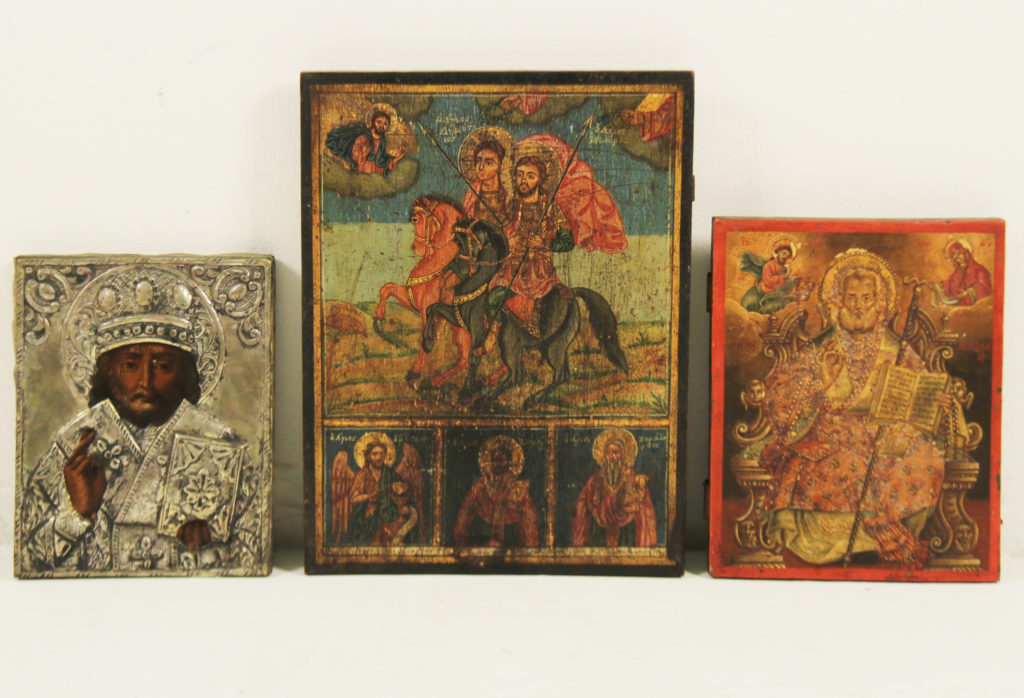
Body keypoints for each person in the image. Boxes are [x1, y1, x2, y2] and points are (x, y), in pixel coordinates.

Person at [21, 295, 259, 574]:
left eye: (163, 366)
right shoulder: (71, 446)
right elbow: (29, 558)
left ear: (184, 374)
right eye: (131, 366)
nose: (146, 382)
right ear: (109, 373)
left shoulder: (218, 443)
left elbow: (252, 548)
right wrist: (78, 514)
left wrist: (211, 538)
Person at [759, 249, 951, 567]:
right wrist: (821, 383)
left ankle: (883, 527)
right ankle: (866, 535)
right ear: (838, 301)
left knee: (923, 457)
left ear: (879, 303)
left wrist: (935, 403)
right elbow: (780, 397)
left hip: (885, 433)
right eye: (851, 298)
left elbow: (921, 395)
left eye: (866, 298)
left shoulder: (897, 349)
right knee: (845, 463)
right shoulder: (819, 348)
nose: (858, 306)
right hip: (829, 433)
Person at [486, 152, 575, 334]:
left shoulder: (548, 207)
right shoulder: (511, 206)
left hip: (540, 274)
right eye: (519, 175)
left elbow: (568, 242)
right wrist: (507, 242)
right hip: (509, 269)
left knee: (495, 297)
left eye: (530, 176)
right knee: (488, 295)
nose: (523, 180)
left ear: (540, 180)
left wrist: (544, 243)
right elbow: (495, 236)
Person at [331, 433, 424, 546]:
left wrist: (401, 491)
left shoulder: (390, 472)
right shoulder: (362, 474)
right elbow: (353, 498)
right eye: (375, 454)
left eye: (381, 454)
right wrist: (370, 495)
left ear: (385, 456)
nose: (379, 457)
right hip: (370, 514)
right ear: (369, 456)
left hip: (389, 511)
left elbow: (406, 491)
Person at [571, 428, 656, 547]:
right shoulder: (596, 479)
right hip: (599, 529)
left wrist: (636, 505)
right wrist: (589, 504)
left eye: (615, 452)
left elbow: (645, 506)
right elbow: (582, 502)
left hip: (627, 528)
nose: (612, 456)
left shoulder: (632, 477)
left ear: (622, 455)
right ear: (604, 456)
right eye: (608, 453)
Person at [454, 436, 539, 548]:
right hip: (482, 545)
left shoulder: (519, 490)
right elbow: (465, 515)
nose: (497, 464)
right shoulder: (480, 486)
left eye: (501, 460)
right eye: (494, 460)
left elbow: (529, 524)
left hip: (511, 545)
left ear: (510, 462)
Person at [325, 108, 406, 176]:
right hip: (364, 171)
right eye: (379, 122)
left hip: (377, 174)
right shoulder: (363, 138)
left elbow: (382, 160)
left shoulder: (382, 141)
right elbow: (355, 154)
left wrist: (397, 158)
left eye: (385, 124)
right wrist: (363, 154)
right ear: (373, 122)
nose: (382, 126)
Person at [458, 128, 514, 227]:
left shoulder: (508, 195)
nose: (480, 167)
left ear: (500, 166)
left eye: (488, 163)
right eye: (478, 161)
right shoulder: (472, 194)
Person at [739, 240, 802, 314]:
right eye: (784, 253)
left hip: (776, 292)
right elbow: (768, 281)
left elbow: (786, 283)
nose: (785, 256)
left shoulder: (785, 268)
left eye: (787, 256)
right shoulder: (769, 265)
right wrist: (785, 276)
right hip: (764, 290)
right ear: (777, 252)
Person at [934, 239, 992, 306]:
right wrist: (940, 286)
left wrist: (968, 293)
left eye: (960, 254)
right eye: (956, 258)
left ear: (967, 253)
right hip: (961, 306)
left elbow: (985, 289)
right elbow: (952, 285)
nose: (959, 259)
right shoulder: (958, 272)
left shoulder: (979, 270)